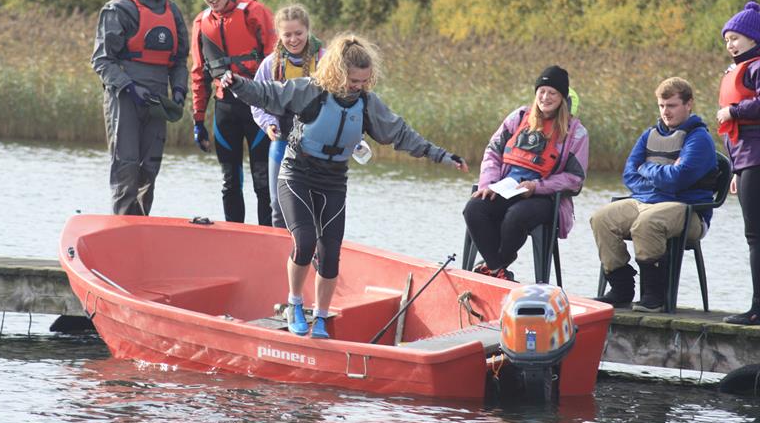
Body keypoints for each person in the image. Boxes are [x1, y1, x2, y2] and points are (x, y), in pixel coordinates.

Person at [220, 33, 468, 339]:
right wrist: (236, 84)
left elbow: (402, 134)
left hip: (333, 180)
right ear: (338, 72)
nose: (358, 86)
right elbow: (268, 94)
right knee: (305, 240)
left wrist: (441, 155)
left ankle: (321, 317)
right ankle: (294, 303)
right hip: (296, 173)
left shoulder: (366, 104)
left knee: (330, 253)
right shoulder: (310, 91)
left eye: (364, 81)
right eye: (353, 80)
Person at [591, 77, 717, 312]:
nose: (665, 112)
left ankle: (654, 296)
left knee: (647, 224)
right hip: (646, 201)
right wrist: (661, 177)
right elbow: (629, 174)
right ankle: (621, 289)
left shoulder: (699, 139)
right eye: (661, 105)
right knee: (601, 218)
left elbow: (679, 178)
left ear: (689, 104)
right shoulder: (649, 135)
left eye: (672, 105)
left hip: (688, 211)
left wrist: (647, 168)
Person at [463, 66, 588, 281]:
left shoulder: (576, 133)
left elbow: (575, 180)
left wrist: (536, 187)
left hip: (544, 198)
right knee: (474, 209)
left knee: (516, 216)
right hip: (506, 187)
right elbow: (492, 151)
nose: (545, 97)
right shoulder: (519, 116)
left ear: (562, 98)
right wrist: (489, 184)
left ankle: (493, 267)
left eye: (553, 93)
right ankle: (498, 270)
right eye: (542, 91)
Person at [91, 0, 190, 215]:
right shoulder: (118, 8)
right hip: (125, 97)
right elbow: (101, 60)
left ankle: (142, 224)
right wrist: (130, 88)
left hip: (157, 100)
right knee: (127, 164)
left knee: (150, 165)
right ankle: (123, 224)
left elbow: (179, 61)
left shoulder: (173, 12)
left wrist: (179, 91)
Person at [190, 0, 277, 225]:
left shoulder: (254, 11)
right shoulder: (201, 23)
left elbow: (275, 61)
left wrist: (278, 109)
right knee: (230, 181)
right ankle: (234, 233)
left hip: (258, 108)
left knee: (263, 180)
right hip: (225, 109)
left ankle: (268, 237)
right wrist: (198, 120)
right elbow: (198, 73)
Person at [252, 4, 325, 228]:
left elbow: (341, 99)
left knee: (314, 203)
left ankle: (312, 255)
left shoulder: (325, 61)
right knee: (278, 204)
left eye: (299, 33)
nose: (293, 40)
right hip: (282, 141)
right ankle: (280, 255)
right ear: (279, 35)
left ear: (308, 31)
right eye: (287, 35)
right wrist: (268, 124)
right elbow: (257, 100)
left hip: (316, 143)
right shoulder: (270, 65)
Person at [717, 1, 760, 325]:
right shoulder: (737, 70)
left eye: (735, 38)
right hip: (745, 161)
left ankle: (757, 308)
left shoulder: (757, 66)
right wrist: (734, 168)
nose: (730, 44)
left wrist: (734, 111)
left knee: (755, 236)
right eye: (727, 40)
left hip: (757, 159)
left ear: (753, 39)